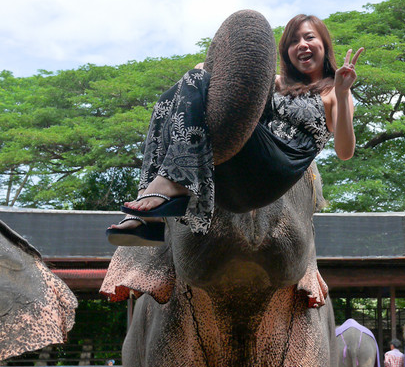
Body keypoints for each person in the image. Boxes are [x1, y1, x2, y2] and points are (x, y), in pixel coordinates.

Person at [106, 14, 363, 245]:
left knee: (194, 81)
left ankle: (171, 183)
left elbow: (344, 151)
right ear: (287, 52)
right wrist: (204, 77)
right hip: (236, 167)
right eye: (294, 41)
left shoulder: (333, 91)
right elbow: (211, 76)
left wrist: (342, 92)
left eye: (309, 37)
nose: (302, 45)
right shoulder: (276, 84)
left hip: (272, 170)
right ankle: (148, 214)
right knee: (174, 93)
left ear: (324, 45)